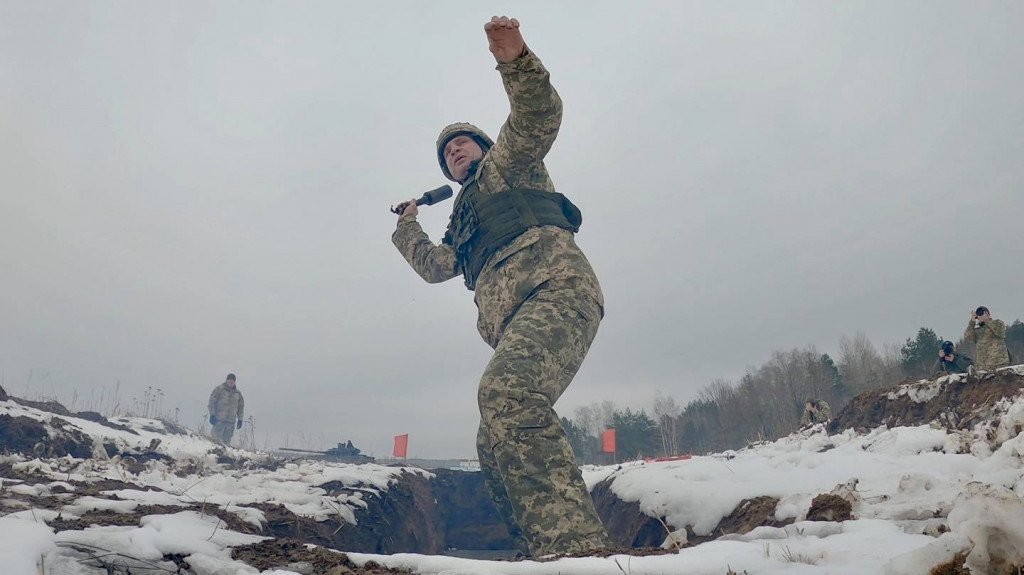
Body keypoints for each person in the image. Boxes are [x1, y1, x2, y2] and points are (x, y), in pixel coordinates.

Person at [390, 16, 610, 556]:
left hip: (557, 290)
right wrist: (408, 224)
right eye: (447, 152)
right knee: (492, 442)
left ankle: (577, 550)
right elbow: (437, 267)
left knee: (506, 393)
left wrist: (515, 61)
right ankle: (537, 547)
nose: (455, 152)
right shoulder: (462, 219)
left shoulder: (511, 164)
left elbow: (536, 116)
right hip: (516, 320)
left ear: (484, 147)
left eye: (463, 143)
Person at [963, 307, 1010, 371]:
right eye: (979, 315)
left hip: (999, 364)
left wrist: (987, 320)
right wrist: (972, 322)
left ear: (987, 314)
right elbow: (968, 337)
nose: (980, 316)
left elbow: (1000, 332)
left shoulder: (997, 323)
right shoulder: (978, 330)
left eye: (982, 314)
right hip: (984, 367)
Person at [208, 374, 244, 445]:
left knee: (226, 443)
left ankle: (224, 455)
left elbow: (240, 407)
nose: (231, 383)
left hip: (230, 422)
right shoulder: (219, 389)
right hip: (219, 420)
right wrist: (212, 415)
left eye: (232, 382)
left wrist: (240, 419)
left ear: (235, 382)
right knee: (215, 441)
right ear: (226, 380)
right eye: (229, 381)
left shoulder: (238, 393)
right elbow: (212, 402)